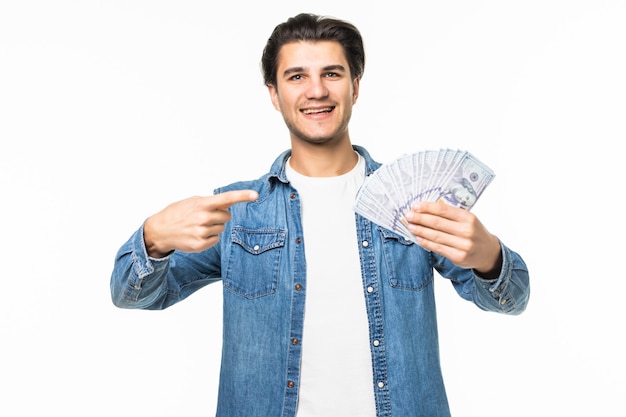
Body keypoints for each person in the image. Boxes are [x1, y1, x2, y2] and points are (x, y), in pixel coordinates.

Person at [110, 12, 530, 417]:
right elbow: (131, 295)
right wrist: (153, 239)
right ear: (274, 94)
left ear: (355, 86)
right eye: (297, 77)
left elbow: (513, 299)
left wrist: (489, 257)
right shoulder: (239, 212)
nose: (316, 91)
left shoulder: (414, 202)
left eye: (332, 73)